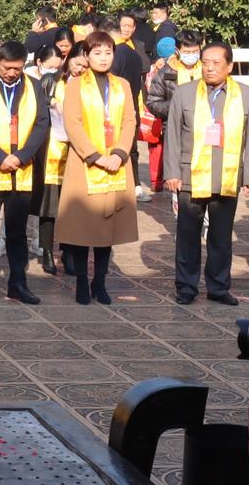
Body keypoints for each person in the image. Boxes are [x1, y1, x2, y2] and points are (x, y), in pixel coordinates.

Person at [163, 42, 249, 306]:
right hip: (189, 176)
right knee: (187, 235)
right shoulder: (184, 94)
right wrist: (172, 172)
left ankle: (218, 287)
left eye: (216, 62)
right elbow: (172, 135)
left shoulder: (247, 95)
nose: (209, 67)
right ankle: (186, 286)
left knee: (220, 236)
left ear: (229, 66)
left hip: (226, 176)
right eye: (205, 62)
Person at [55, 33, 140, 305]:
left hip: (116, 163)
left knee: (107, 227)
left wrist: (118, 153)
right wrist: (94, 155)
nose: (103, 57)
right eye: (97, 52)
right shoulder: (76, 85)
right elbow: (73, 123)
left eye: (108, 52)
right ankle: (81, 280)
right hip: (85, 163)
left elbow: (130, 121)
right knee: (83, 227)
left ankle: (99, 282)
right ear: (87, 56)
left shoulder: (123, 86)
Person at [0, 41, 50, 304]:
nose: (11, 73)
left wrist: (22, 156)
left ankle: (18, 283)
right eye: (6, 68)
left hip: (22, 169)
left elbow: (41, 124)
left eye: (16, 68)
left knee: (17, 232)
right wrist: (0, 157)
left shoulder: (34, 87)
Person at [37, 47, 82, 275]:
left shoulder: (89, 87)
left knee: (72, 205)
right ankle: (46, 251)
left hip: (78, 151)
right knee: (50, 205)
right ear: (68, 59)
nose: (80, 68)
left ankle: (69, 251)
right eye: (77, 63)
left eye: (84, 65)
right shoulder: (51, 81)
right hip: (53, 149)